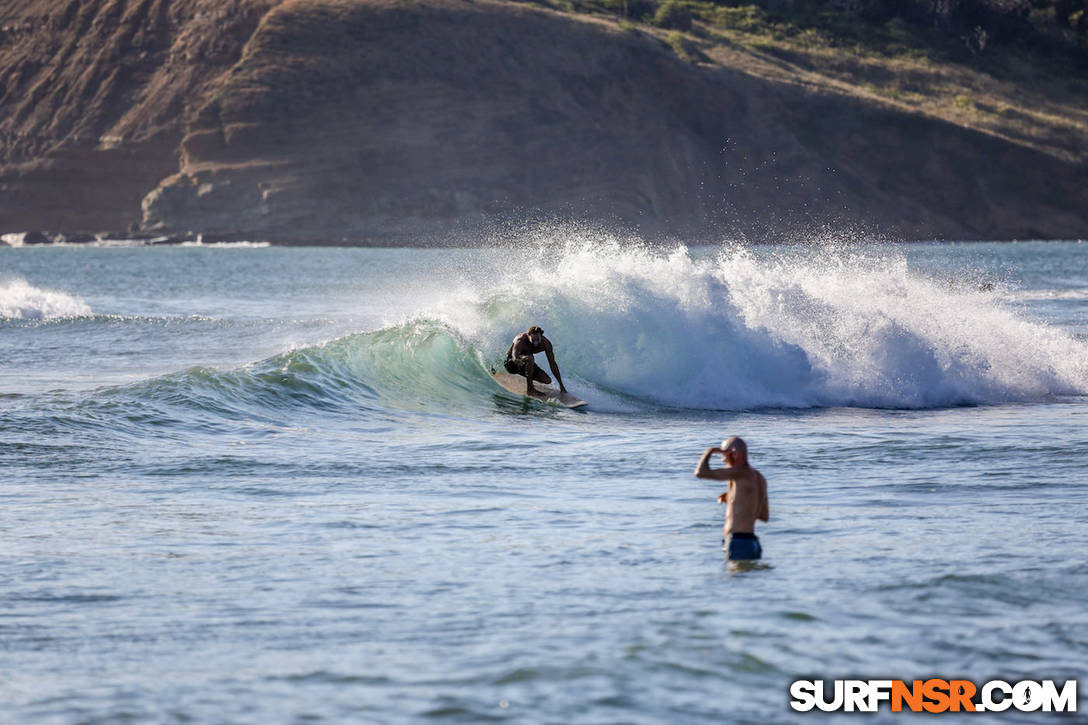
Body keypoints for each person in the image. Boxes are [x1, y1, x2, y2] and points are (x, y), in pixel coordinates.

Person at [694, 436, 769, 560]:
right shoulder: (760, 478)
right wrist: (735, 500)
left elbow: (700, 472)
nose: (723, 460)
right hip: (752, 543)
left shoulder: (739, 472)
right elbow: (764, 516)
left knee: (733, 578)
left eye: (723, 453)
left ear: (734, 453)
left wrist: (709, 451)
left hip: (738, 542)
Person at [504, 325, 567, 399]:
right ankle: (530, 390)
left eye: (538, 339)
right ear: (528, 335)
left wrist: (561, 385)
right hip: (512, 365)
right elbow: (514, 356)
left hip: (526, 365)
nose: (536, 343)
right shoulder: (520, 340)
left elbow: (553, 365)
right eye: (533, 340)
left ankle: (527, 381)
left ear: (541, 337)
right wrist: (517, 360)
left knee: (547, 380)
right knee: (530, 358)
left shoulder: (546, 344)